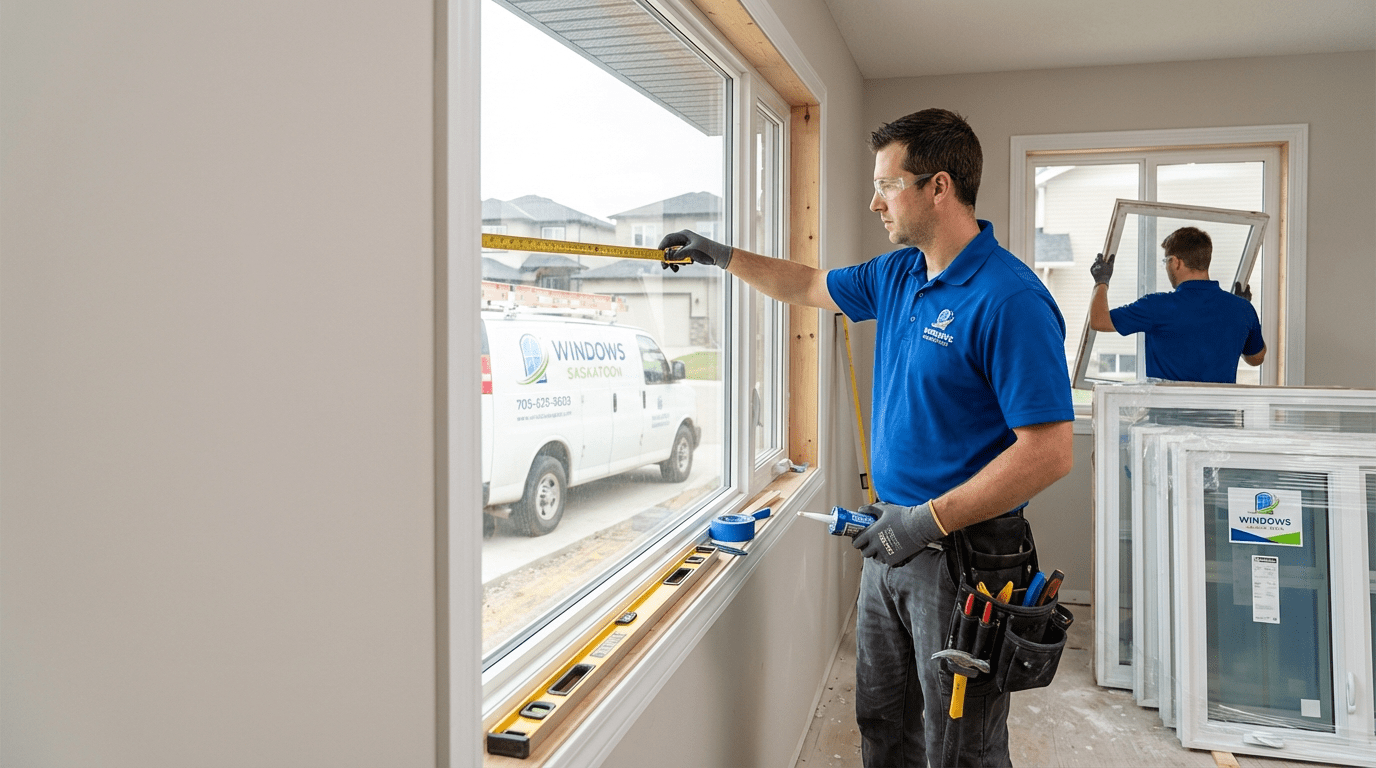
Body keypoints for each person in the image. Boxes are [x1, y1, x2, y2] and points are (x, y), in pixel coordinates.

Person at [660, 108, 1074, 768]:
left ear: (937, 187)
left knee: (960, 745)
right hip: (890, 539)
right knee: (883, 722)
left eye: (886, 184)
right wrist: (721, 255)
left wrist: (925, 523)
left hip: (966, 555)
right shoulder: (899, 273)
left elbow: (1049, 451)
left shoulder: (1010, 298)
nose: (873, 200)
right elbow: (803, 283)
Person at [1088, 226, 1266, 383]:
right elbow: (1256, 358)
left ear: (1176, 262)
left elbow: (1099, 320)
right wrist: (1241, 322)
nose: (1166, 267)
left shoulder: (1157, 306)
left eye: (1166, 261)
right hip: (1220, 418)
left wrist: (1101, 281)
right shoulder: (1242, 309)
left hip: (1168, 419)